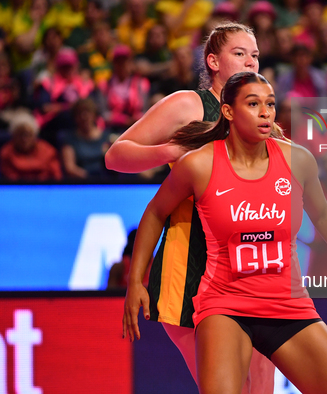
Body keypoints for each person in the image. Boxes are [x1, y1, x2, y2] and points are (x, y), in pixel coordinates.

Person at [123, 71, 327, 393]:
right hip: (225, 305)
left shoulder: (297, 160)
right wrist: (136, 281)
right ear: (228, 112)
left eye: (270, 104)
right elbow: (155, 212)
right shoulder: (200, 164)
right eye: (253, 104)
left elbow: (322, 215)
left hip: (287, 304)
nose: (266, 112)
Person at [105, 22, 274, 393]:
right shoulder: (190, 104)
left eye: (256, 55)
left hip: (250, 268)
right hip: (191, 269)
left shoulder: (260, 115)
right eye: (240, 53)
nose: (251, 62)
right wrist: (172, 151)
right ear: (213, 61)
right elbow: (116, 156)